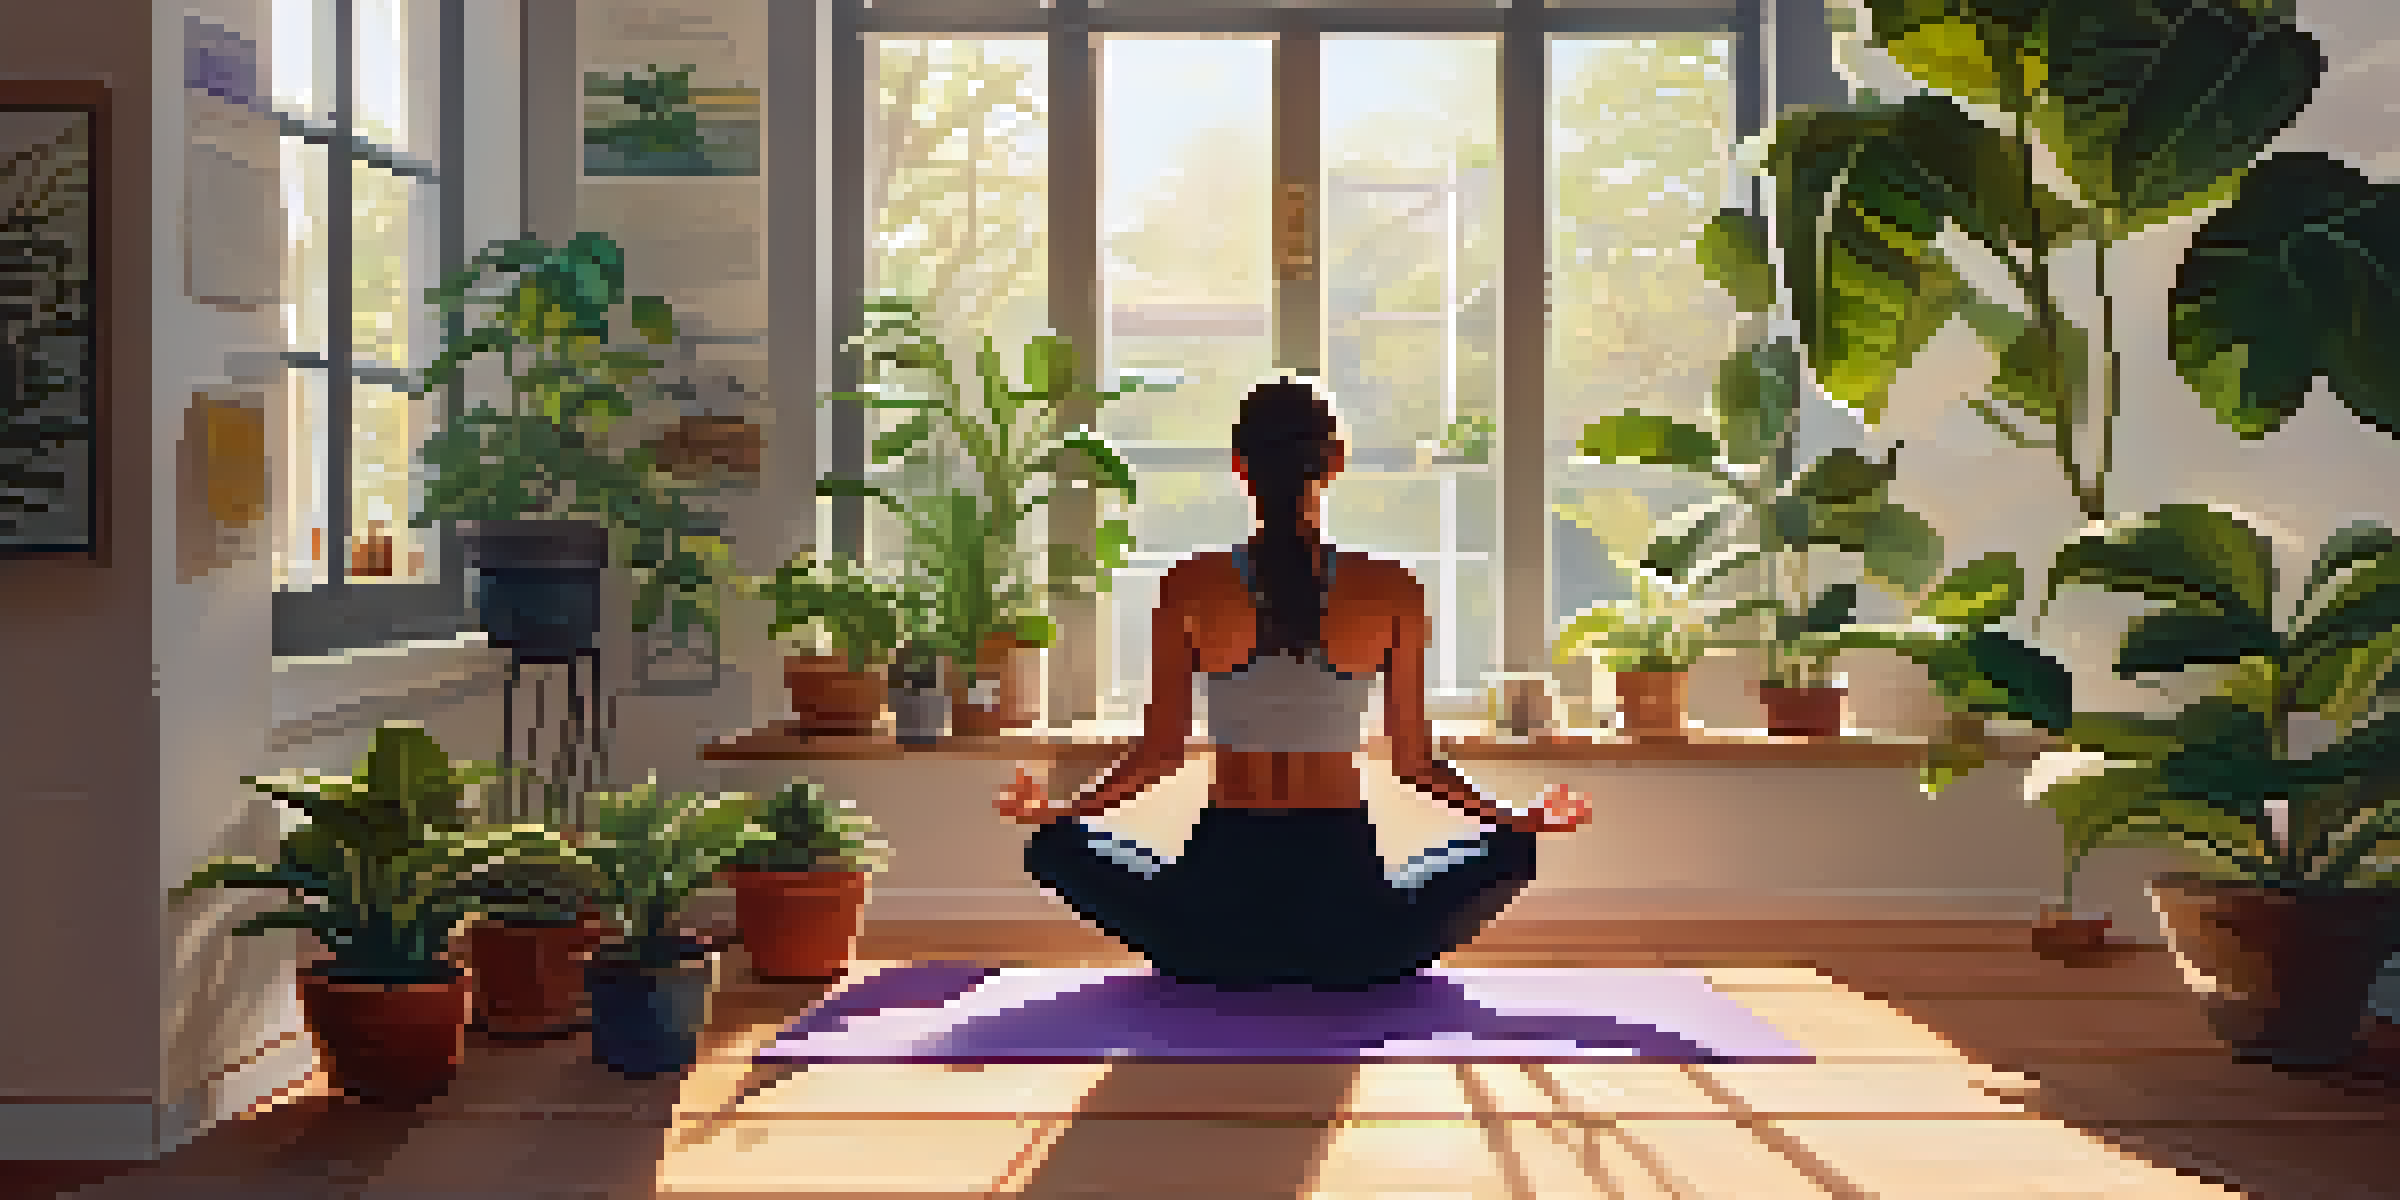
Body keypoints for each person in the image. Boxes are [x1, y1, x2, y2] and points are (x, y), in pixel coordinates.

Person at [993, 377, 1592, 990]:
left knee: (1052, 847)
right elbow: (1415, 764)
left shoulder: (1189, 584)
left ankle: (1240, 956)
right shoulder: (1392, 587)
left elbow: (1160, 755)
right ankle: (1327, 956)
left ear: (1240, 466)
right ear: (1334, 462)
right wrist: (1516, 816)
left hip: (1217, 908)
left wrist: (1061, 810)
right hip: (1345, 909)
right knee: (1512, 849)